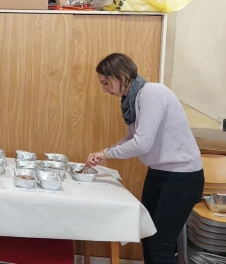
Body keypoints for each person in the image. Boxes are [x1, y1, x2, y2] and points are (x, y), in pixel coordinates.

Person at [85, 53, 203, 264]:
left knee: (160, 247)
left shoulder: (151, 92)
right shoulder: (131, 100)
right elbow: (132, 138)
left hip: (182, 177)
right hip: (159, 173)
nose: (104, 89)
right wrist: (104, 152)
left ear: (121, 75)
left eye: (105, 82)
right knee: (148, 238)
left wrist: (106, 154)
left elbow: (142, 144)